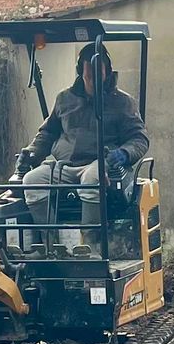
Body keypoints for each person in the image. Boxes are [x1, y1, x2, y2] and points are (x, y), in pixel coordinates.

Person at [16, 42, 149, 253]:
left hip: (101, 163)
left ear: (107, 71)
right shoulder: (64, 99)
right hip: (65, 165)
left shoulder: (123, 103)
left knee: (92, 179)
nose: (94, 81)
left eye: (99, 74)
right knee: (31, 180)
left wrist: (124, 154)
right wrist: (31, 153)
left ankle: (89, 246)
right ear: (80, 73)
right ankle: (51, 247)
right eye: (89, 75)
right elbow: (48, 133)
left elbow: (139, 139)